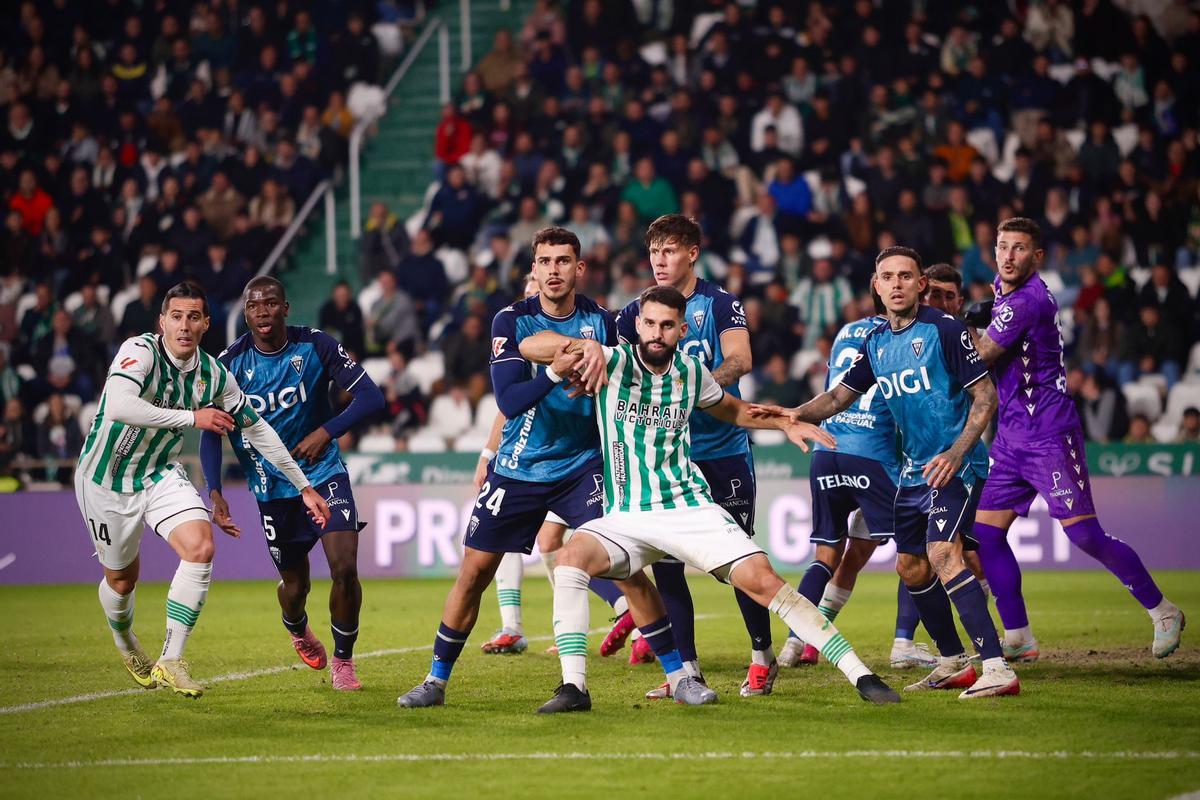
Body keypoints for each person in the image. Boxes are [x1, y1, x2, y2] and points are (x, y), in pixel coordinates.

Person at [519, 285, 899, 712]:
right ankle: (574, 688)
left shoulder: (692, 373)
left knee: (764, 581)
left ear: (681, 330)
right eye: (649, 323)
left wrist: (786, 421)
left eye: (667, 325)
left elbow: (735, 410)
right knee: (570, 558)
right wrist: (581, 344)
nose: (657, 333)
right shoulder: (610, 361)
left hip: (687, 507)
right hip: (626, 516)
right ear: (637, 325)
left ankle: (859, 673)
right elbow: (528, 343)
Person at [773, 246, 1019, 699]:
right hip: (913, 471)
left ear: (921, 283)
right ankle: (951, 660)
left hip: (956, 467)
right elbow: (837, 398)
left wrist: (957, 453)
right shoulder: (877, 340)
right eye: (888, 276)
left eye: (906, 276)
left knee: (945, 554)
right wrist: (791, 413)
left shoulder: (945, 329)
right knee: (910, 566)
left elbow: (986, 397)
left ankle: (997, 667)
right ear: (877, 284)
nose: (898, 284)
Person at [396, 227, 622, 708]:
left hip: (584, 464)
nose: (554, 269)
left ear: (579, 268)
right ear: (534, 269)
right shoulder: (510, 320)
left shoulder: (604, 322)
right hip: (518, 468)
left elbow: (624, 379)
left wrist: (593, 363)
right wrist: (559, 368)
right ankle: (436, 681)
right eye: (546, 261)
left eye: (564, 261)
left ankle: (679, 672)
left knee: (623, 566)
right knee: (474, 572)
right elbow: (509, 401)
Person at [74, 281, 329, 698]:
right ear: (162, 322)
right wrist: (193, 418)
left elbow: (259, 430)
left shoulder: (213, 374)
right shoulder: (139, 351)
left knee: (201, 546)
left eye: (194, 317)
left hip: (158, 473)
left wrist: (303, 486)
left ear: (206, 324)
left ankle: (171, 659)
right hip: (106, 479)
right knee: (121, 580)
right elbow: (119, 405)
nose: (184, 325)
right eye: (176, 316)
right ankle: (125, 643)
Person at [970, 218, 1184, 660]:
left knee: (1085, 536)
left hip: (1048, 432)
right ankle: (1019, 636)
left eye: (1020, 248)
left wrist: (950, 327)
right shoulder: (1003, 289)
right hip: (1011, 437)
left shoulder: (1027, 300)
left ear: (1038, 256)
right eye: (1002, 247)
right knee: (986, 534)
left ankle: (1163, 610)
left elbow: (983, 354)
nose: (1008, 256)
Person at [616, 214, 773, 699]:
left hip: (722, 451)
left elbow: (741, 359)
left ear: (692, 253)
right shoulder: (634, 313)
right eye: (654, 252)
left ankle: (761, 657)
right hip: (666, 460)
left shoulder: (720, 303)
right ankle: (686, 671)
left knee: (741, 559)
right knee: (667, 568)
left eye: (671, 250)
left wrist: (692, 390)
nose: (661, 261)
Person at [201, 277, 384, 691]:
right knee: (296, 585)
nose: (262, 311)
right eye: (253, 305)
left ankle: (343, 660)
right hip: (271, 488)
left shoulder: (316, 346)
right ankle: (297, 627)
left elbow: (372, 397)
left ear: (286, 308)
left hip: (323, 474)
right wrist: (214, 489)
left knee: (345, 568)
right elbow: (211, 431)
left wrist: (326, 431)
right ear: (244, 313)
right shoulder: (228, 365)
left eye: (270, 303)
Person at [473, 272, 633, 658]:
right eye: (531, 288)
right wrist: (488, 454)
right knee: (542, 543)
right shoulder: (516, 329)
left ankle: (632, 615)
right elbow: (507, 407)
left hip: (576, 459)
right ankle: (517, 624)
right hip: (525, 458)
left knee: (604, 549)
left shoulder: (593, 322)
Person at [777, 295, 937, 673]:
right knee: (921, 549)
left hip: (826, 451)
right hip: (873, 455)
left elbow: (836, 390)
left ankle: (795, 642)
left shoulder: (847, 332)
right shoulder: (899, 336)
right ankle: (903, 643)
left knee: (830, 557)